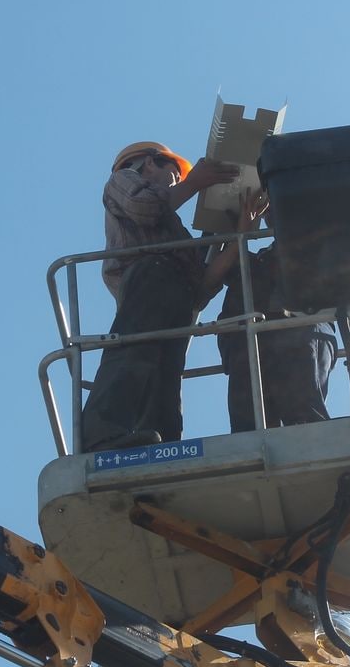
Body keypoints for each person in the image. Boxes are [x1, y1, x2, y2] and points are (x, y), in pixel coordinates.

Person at [79, 142, 241, 452]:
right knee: (133, 352)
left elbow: (202, 286)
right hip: (148, 276)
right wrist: (195, 183)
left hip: (175, 293)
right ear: (150, 164)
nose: (179, 181)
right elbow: (145, 207)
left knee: (166, 370)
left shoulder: (172, 226)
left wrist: (236, 234)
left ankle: (163, 442)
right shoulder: (122, 180)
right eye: (176, 175)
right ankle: (101, 435)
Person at [216, 201, 338, 433]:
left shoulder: (319, 247)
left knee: (305, 422)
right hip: (247, 339)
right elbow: (214, 271)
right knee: (249, 430)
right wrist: (234, 229)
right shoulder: (253, 261)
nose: (270, 213)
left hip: (302, 333)